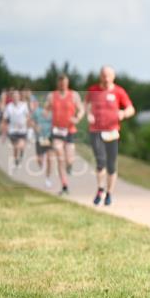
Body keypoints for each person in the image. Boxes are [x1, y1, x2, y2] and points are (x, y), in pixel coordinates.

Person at [85, 66, 135, 206]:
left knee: (111, 165)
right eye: (104, 75)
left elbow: (131, 109)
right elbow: (86, 105)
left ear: (113, 76)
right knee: (100, 162)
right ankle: (100, 189)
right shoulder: (93, 90)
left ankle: (109, 193)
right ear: (100, 76)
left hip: (112, 132)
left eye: (109, 76)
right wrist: (88, 114)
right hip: (96, 131)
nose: (106, 78)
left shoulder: (119, 92)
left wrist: (123, 114)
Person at [47, 74, 85, 195]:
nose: (63, 85)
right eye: (61, 83)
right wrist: (45, 113)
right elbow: (46, 109)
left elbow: (81, 109)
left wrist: (77, 117)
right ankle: (64, 185)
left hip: (69, 130)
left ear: (67, 83)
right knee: (59, 155)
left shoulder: (74, 95)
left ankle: (69, 166)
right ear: (57, 83)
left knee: (69, 159)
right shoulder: (52, 96)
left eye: (65, 83)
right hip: (56, 130)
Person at [0, 89, 31, 173]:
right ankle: (16, 161)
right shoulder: (9, 106)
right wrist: (3, 134)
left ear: (19, 97)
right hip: (12, 131)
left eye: (17, 96)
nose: (15, 97)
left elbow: (28, 117)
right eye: (14, 96)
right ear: (12, 97)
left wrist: (29, 128)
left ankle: (21, 154)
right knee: (15, 147)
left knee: (20, 146)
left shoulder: (24, 105)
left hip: (22, 130)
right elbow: (5, 120)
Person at [30, 94, 54, 188]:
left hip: (49, 137)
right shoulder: (37, 112)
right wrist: (35, 126)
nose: (49, 103)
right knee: (40, 160)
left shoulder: (54, 113)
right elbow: (30, 121)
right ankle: (42, 165)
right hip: (40, 138)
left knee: (50, 159)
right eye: (48, 101)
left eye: (51, 102)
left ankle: (48, 179)